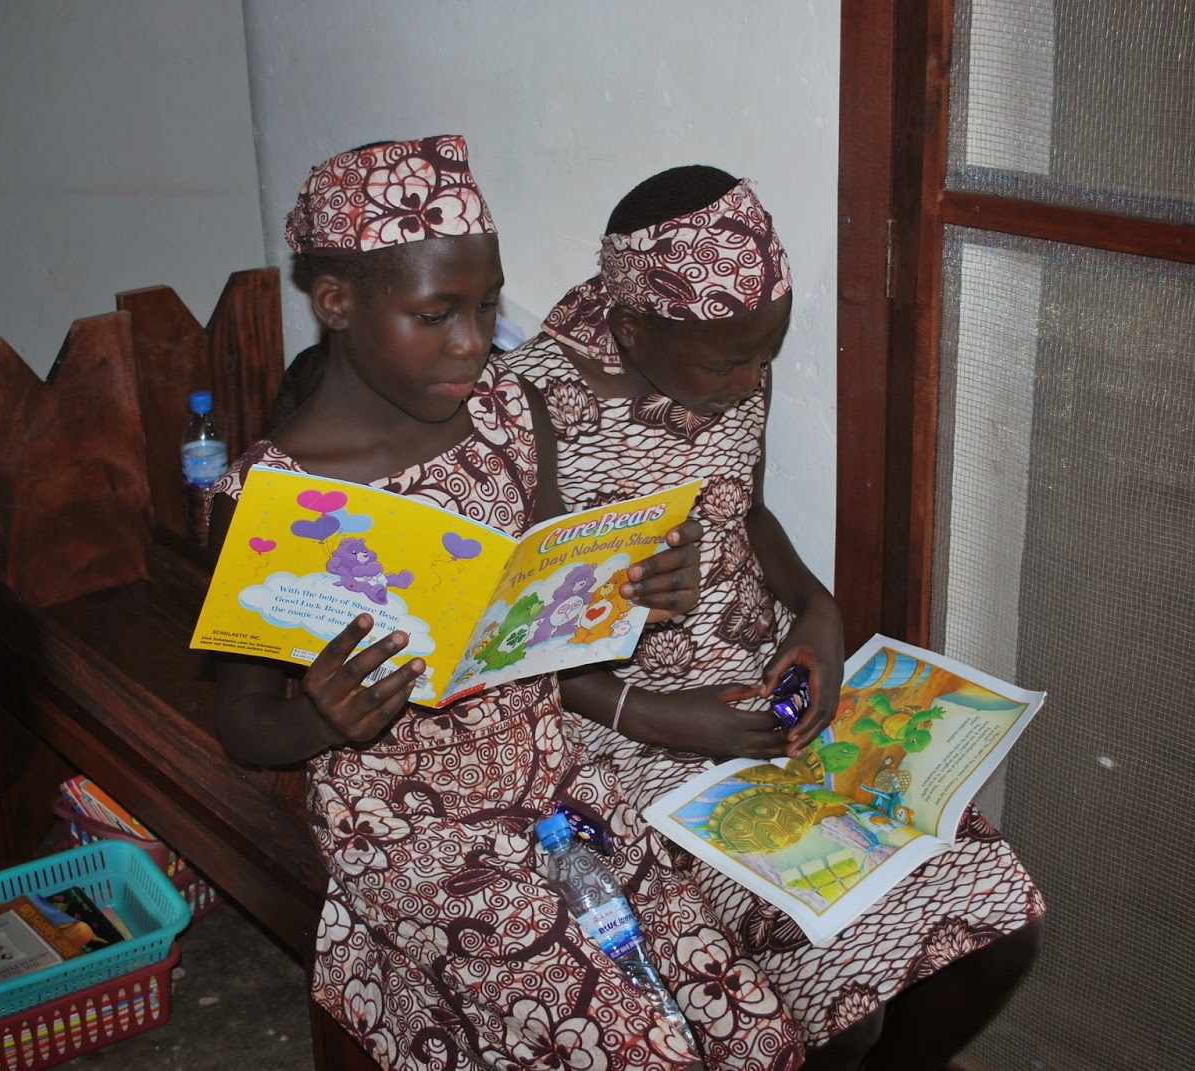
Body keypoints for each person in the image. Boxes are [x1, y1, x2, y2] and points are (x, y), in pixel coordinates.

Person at [210, 136, 818, 1071]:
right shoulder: (272, 503)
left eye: (487, 305)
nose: (472, 341)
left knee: (759, 1037)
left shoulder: (507, 416)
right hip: (404, 829)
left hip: (557, 781)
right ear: (335, 302)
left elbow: (543, 622)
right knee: (644, 1052)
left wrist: (634, 592)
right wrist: (318, 718)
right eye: (435, 314)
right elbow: (242, 722)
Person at [501, 165, 1045, 1070]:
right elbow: (511, 635)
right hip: (612, 727)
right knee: (839, 1018)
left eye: (766, 355)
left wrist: (818, 611)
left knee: (998, 934)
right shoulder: (527, 407)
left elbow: (743, 511)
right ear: (632, 328)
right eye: (729, 363)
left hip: (753, 692)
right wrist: (660, 715)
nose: (752, 379)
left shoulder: (727, 359)